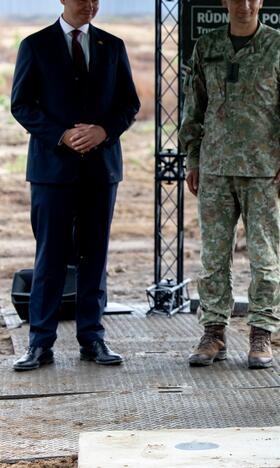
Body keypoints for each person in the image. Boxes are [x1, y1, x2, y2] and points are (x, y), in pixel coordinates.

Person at [180, 0, 280, 369]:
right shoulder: (207, 46)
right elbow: (194, 107)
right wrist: (193, 157)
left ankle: (261, 333)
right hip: (216, 169)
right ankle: (213, 332)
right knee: (213, 257)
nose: (245, 4)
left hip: (264, 171)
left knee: (265, 258)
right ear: (224, 1)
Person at [9, 0, 140, 371]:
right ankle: (40, 343)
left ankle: (93, 338)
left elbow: (128, 104)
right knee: (50, 256)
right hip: (52, 170)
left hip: (101, 171)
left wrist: (103, 130)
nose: (90, 5)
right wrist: (61, 135)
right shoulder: (35, 45)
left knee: (94, 256)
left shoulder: (112, 46)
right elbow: (21, 105)